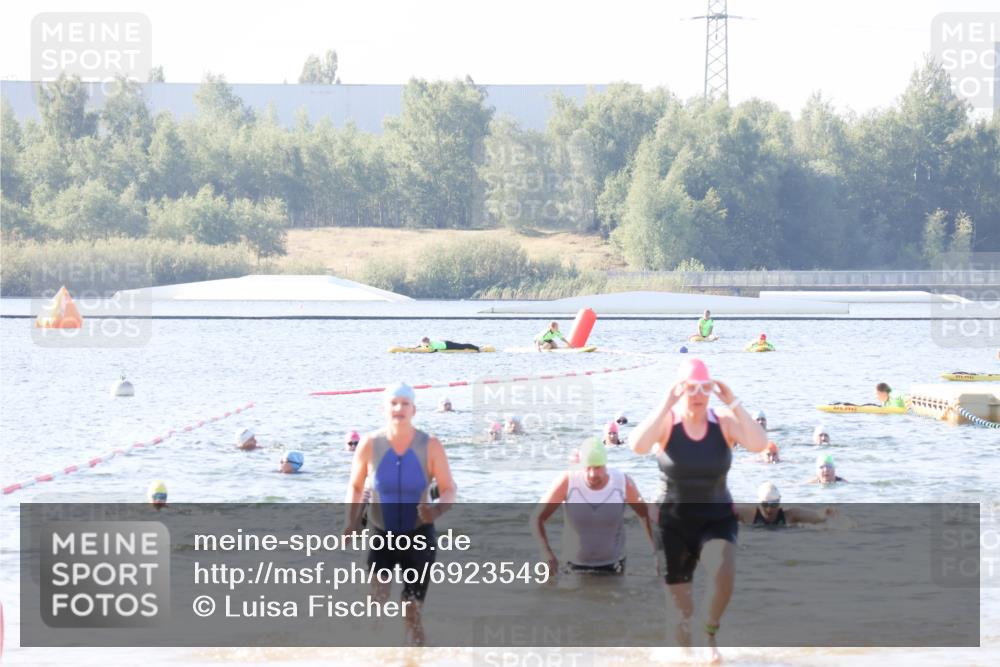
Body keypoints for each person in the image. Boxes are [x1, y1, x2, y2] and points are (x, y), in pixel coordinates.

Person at [629, 358, 767, 662]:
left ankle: (709, 634)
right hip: (672, 523)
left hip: (716, 518)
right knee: (680, 610)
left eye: (705, 388)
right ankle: (682, 657)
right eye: (691, 388)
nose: (698, 394)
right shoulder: (668, 423)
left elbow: (760, 444)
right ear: (681, 390)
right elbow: (637, 445)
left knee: (723, 570)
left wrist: (734, 401)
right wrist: (666, 401)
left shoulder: (725, 421)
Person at [343, 382, 457, 646]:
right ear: (384, 408)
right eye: (393, 403)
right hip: (380, 534)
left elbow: (450, 489)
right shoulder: (370, 444)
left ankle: (416, 656)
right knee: (376, 601)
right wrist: (350, 521)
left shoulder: (431, 446)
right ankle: (375, 656)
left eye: (405, 404)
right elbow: (356, 486)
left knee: (411, 610)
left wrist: (437, 509)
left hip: (419, 535)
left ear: (414, 409)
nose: (399, 408)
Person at [532, 437, 653, 576]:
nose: (593, 474)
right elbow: (537, 518)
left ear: (606, 465)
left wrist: (658, 553)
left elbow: (645, 515)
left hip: (615, 565)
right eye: (588, 468)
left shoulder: (621, 482)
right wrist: (545, 551)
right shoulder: (568, 481)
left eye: (598, 467)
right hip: (572, 565)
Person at [736, 482, 836, 526]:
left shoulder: (790, 515)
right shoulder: (749, 514)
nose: (769, 509)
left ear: (779, 502)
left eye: (774, 504)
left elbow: (818, 517)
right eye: (765, 504)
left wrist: (827, 513)